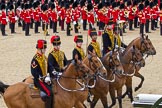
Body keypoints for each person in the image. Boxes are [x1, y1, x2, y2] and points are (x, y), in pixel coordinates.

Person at [31, 39, 53, 108]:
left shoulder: (45, 57)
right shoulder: (35, 60)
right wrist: (41, 77)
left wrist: (53, 71)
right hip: (39, 81)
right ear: (40, 49)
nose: (45, 50)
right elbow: (34, 72)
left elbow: (49, 66)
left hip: (46, 78)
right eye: (44, 49)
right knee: (49, 93)